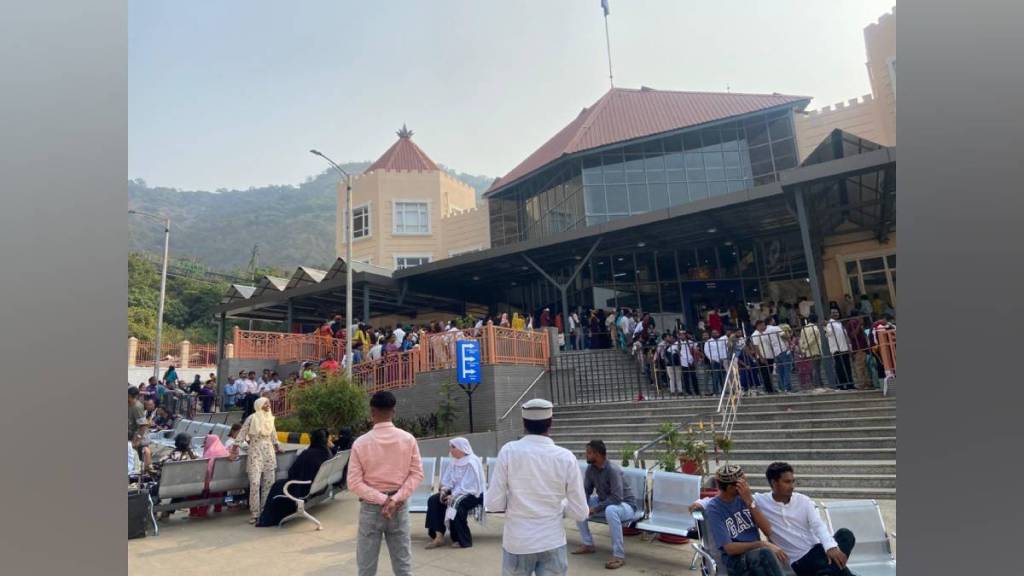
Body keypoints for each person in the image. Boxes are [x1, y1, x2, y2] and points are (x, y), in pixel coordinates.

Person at [485, 398, 589, 576]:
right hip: (552, 541)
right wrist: (561, 505)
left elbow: (493, 504)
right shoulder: (566, 457)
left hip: (518, 542)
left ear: (523, 422)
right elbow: (581, 512)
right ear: (551, 423)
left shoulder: (508, 451)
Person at [348, 391, 424, 576]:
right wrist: (394, 499)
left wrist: (383, 500)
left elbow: (353, 482)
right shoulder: (408, 439)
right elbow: (416, 474)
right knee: (403, 565)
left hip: (371, 508)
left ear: (372, 412)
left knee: (366, 567)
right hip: (399, 506)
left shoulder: (361, 443)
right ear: (394, 411)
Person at [702, 465, 786, 576]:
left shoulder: (745, 498)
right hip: (736, 562)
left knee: (763, 565)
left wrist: (750, 502)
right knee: (764, 554)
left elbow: (767, 530)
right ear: (730, 488)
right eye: (743, 483)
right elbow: (729, 548)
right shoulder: (715, 509)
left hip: (756, 558)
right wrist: (761, 544)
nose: (747, 486)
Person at [572, 440, 641, 570]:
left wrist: (595, 509)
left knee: (611, 510)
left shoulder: (612, 470)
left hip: (626, 506)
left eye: (589, 453)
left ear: (597, 454)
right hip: (605, 502)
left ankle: (619, 556)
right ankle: (588, 544)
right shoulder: (591, 469)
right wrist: (583, 504)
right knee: (579, 505)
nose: (586, 455)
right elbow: (586, 491)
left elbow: (617, 498)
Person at [256, 428, 334, 527]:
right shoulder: (327, 453)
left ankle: (268, 519)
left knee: (277, 485)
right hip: (318, 487)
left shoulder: (307, 454)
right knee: (280, 485)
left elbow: (292, 472)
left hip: (303, 489)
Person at [425, 437, 486, 549]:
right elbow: (448, 480)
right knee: (434, 500)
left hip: (473, 494)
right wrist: (444, 490)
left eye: (453, 447)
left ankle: (462, 539)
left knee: (456, 504)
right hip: (456, 492)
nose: (450, 450)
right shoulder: (453, 461)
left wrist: (453, 496)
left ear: (461, 448)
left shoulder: (472, 461)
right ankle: (438, 535)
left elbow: (470, 485)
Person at [238, 397, 283, 524]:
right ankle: (254, 513)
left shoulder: (270, 418)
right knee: (255, 483)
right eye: (265, 403)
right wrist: (235, 448)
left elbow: (274, 436)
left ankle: (265, 510)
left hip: (268, 453)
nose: (268, 405)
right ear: (259, 405)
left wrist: (277, 446)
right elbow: (242, 434)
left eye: (268, 403)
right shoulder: (252, 418)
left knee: (269, 483)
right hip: (255, 452)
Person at [826, 310, 854, 389]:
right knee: (840, 368)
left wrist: (849, 346)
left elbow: (845, 335)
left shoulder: (839, 323)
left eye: (837, 312)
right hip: (837, 350)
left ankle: (849, 384)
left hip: (844, 348)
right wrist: (825, 326)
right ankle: (841, 385)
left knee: (847, 367)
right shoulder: (830, 323)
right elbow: (829, 333)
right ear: (830, 315)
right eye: (834, 313)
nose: (836, 314)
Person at [128, 387, 153, 473]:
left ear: (131, 396)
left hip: (141, 438)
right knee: (134, 461)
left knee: (143, 459)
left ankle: (147, 473)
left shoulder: (136, 407)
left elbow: (143, 425)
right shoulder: (129, 405)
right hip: (133, 436)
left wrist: (137, 440)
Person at [797, 316, 824, 390]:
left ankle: (818, 383)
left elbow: (801, 340)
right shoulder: (815, 328)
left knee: (813, 368)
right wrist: (806, 347)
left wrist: (803, 348)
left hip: (808, 352)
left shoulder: (804, 328)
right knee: (816, 368)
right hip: (816, 350)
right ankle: (817, 384)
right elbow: (812, 340)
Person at [703, 329, 729, 396]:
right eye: (713, 333)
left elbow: (723, 349)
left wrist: (723, 358)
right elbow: (706, 351)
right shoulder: (708, 342)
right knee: (715, 377)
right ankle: (716, 391)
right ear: (711, 334)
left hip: (722, 361)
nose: (715, 334)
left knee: (722, 377)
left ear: (718, 333)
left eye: (716, 333)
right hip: (714, 361)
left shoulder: (721, 340)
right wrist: (711, 359)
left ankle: (724, 391)